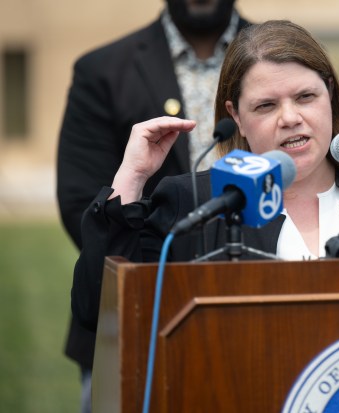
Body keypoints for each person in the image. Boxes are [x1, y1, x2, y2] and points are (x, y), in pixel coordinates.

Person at [71, 19, 339, 334]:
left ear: (329, 94)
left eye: (305, 97)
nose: (289, 117)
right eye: (266, 105)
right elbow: (102, 313)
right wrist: (131, 178)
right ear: (236, 116)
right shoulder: (194, 204)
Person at [55, 1, 250, 411]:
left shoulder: (281, 54)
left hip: (260, 297)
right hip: (139, 312)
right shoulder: (103, 69)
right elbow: (79, 202)